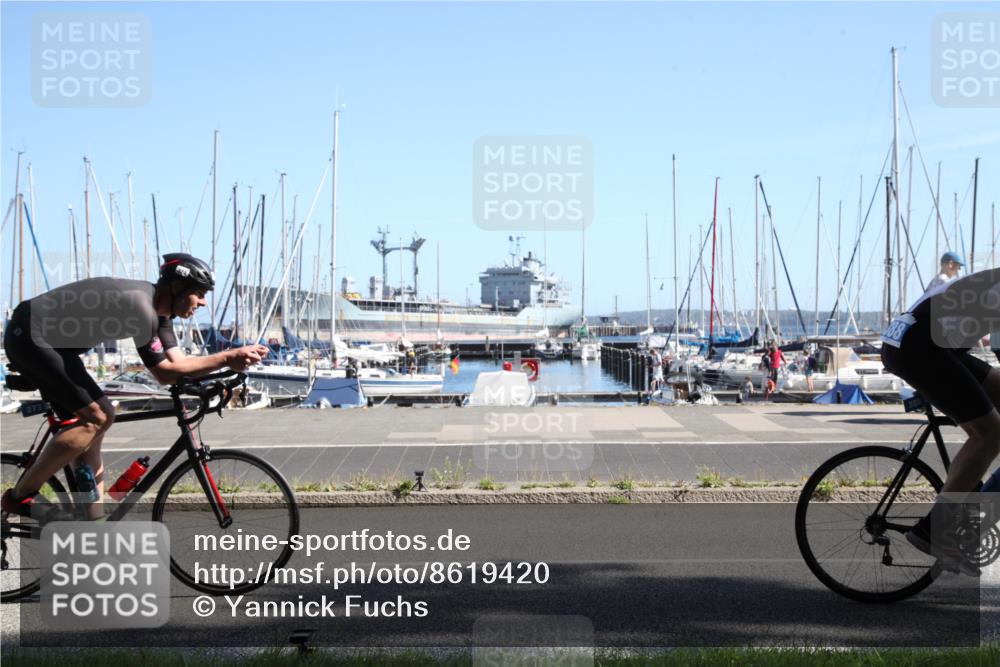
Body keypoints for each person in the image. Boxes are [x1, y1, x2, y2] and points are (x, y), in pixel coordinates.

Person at [2, 254, 268, 520]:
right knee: (99, 416)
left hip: (54, 345)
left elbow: (180, 363)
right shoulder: (141, 309)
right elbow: (165, 374)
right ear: (176, 288)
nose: (203, 301)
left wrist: (223, 370)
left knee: (90, 433)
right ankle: (20, 496)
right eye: (199, 293)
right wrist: (226, 357)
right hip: (30, 335)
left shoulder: (162, 314)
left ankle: (93, 527)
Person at [880, 267, 1000, 573]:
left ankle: (972, 503)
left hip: (920, 342)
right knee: (989, 435)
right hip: (921, 348)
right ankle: (935, 530)